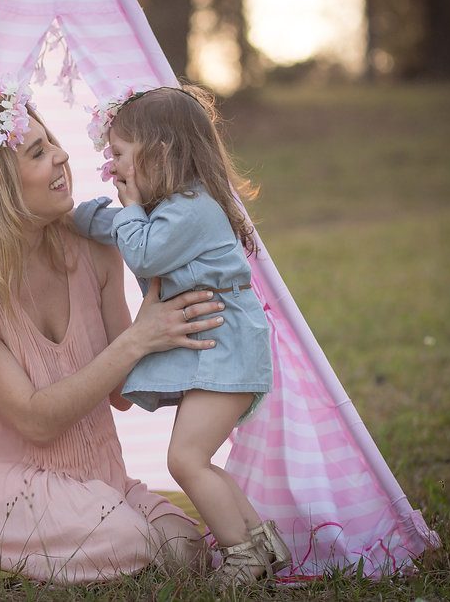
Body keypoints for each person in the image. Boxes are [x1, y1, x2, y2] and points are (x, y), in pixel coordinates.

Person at [0, 78, 225, 584]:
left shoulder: (93, 248)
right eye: (38, 152)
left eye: (52, 141)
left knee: (186, 551)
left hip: (94, 472)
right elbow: (35, 421)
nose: (61, 157)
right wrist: (139, 338)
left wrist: (194, 344)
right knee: (133, 544)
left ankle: (46, 530)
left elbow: (121, 392)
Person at [73, 84, 292, 584]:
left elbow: (144, 251)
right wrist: (75, 217)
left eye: (120, 155)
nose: (114, 169)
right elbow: (126, 231)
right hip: (222, 349)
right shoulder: (176, 206)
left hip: (228, 348)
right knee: (199, 460)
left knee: (185, 459)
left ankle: (243, 558)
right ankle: (262, 546)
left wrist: (126, 208)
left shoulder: (194, 207)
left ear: (161, 151)